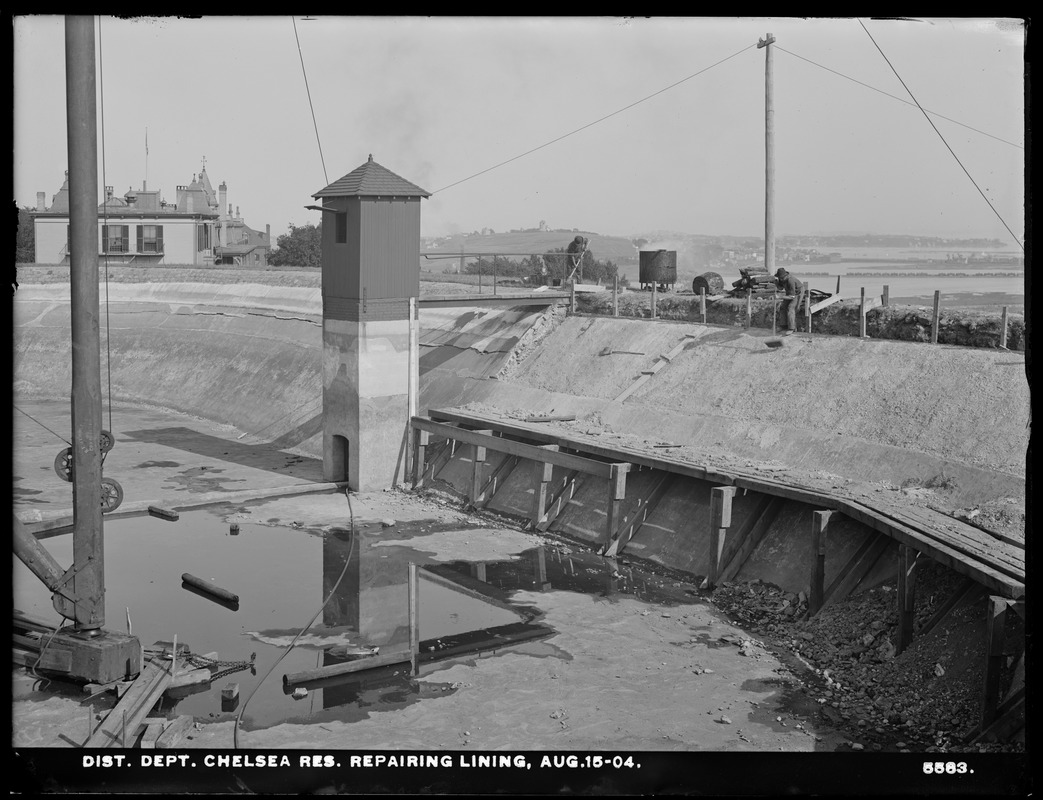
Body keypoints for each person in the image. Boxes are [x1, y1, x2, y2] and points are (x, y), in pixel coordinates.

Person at [775, 268, 805, 334]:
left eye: (781, 278)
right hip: (789, 294)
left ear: (785, 276)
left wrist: (779, 297)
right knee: (782, 307)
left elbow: (792, 297)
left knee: (790, 307)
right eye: (779, 278)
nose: (780, 279)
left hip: (797, 294)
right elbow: (781, 288)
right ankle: (783, 326)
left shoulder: (790, 280)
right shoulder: (782, 279)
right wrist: (776, 283)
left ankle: (791, 328)